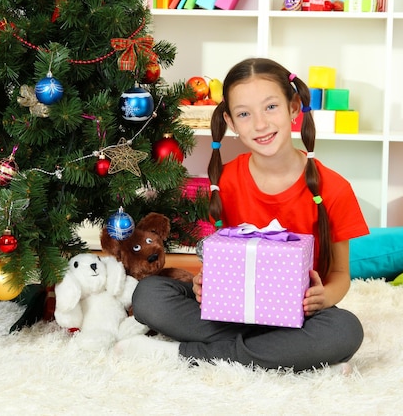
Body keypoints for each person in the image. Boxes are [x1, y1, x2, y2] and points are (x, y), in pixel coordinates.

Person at [118, 57, 370, 373]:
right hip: (232, 312)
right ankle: (284, 355)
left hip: (299, 316)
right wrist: (201, 283)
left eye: (270, 107)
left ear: (294, 108)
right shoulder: (223, 182)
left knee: (345, 330)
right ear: (231, 123)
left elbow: (341, 276)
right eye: (244, 114)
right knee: (150, 295)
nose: (260, 124)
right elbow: (218, 261)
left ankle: (187, 354)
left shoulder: (334, 188)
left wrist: (323, 297)